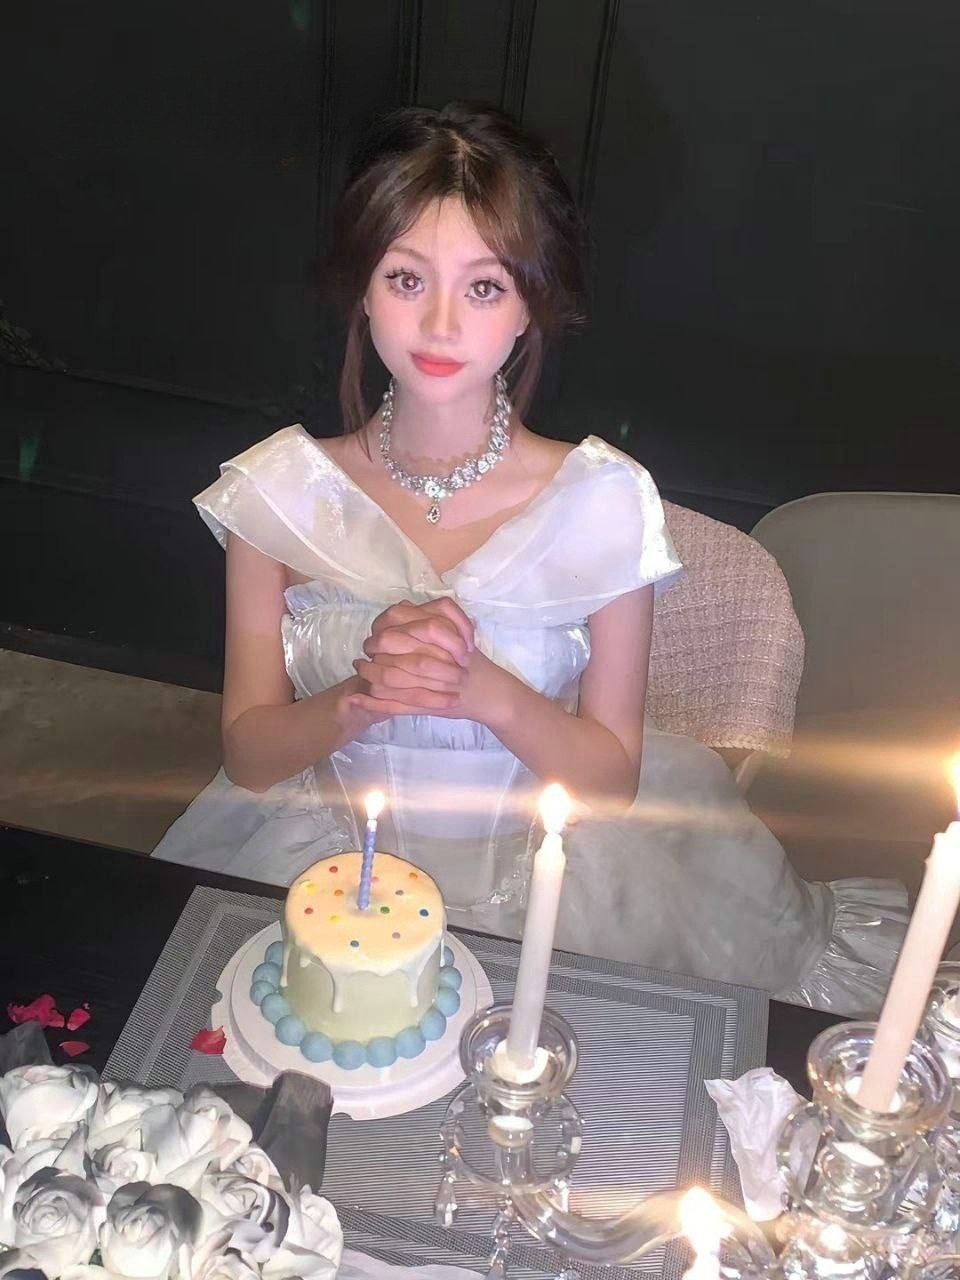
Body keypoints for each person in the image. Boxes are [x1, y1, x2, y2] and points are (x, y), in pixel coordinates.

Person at [154, 102, 906, 1014]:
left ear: (529, 308)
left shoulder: (602, 501)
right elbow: (250, 755)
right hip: (322, 876)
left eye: (484, 287)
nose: (440, 323)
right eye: (405, 278)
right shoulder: (278, 493)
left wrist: (485, 692)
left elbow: (610, 781)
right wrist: (360, 697)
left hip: (557, 880)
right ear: (362, 289)